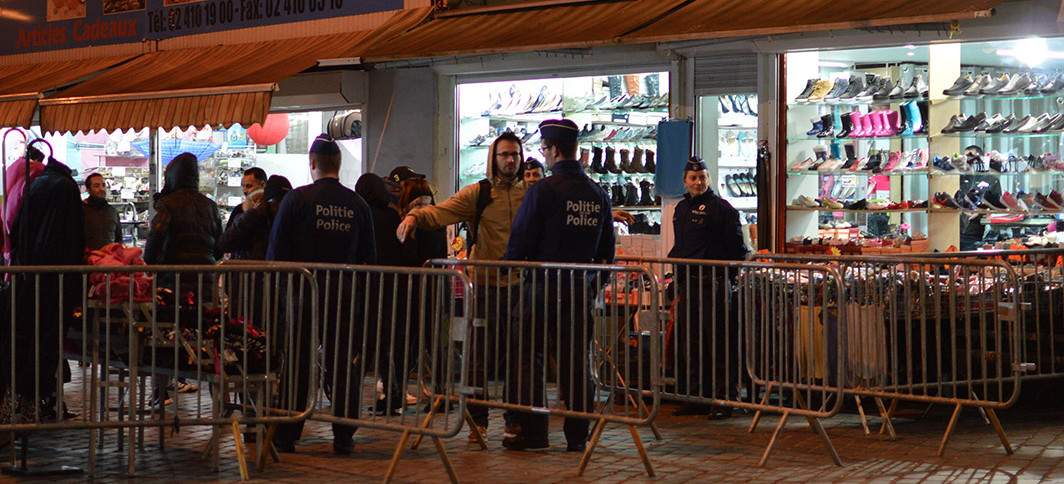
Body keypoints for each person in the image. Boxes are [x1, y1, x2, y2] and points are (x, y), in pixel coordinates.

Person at [395, 132, 528, 442]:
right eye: (505, 154)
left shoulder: (531, 193)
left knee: (518, 357)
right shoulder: (478, 193)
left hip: (522, 286)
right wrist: (415, 215)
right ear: (493, 158)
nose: (511, 160)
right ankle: (477, 421)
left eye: (515, 155)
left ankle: (513, 419)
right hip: (486, 286)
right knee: (480, 356)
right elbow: (441, 211)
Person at [502, 119, 615, 452]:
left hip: (540, 287)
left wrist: (508, 266)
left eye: (544, 149)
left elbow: (520, 240)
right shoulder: (597, 193)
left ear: (551, 150)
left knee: (529, 358)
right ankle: (578, 436)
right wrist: (593, 285)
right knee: (577, 361)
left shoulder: (544, 190)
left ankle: (535, 432)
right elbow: (606, 251)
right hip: (579, 288)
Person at [267, 134, 376, 455]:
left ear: (311, 163)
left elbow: (276, 255)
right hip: (344, 299)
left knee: (298, 364)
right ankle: (344, 436)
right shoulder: (357, 204)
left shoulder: (296, 200)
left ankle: (288, 434)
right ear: (339, 165)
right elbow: (369, 259)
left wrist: (283, 293)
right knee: (343, 366)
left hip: (302, 298)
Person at [0, 155, 85, 437]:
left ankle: (18, 412)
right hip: (51, 283)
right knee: (40, 346)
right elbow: (70, 240)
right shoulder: (63, 187)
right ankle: (25, 413)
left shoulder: (33, 185)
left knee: (23, 344)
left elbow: (16, 231)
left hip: (28, 278)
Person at [667, 156, 748, 418]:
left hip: (713, 284)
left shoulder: (721, 209)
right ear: (685, 181)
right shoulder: (680, 209)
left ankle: (724, 399)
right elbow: (680, 247)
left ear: (709, 179)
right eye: (693, 178)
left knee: (718, 344)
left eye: (702, 177)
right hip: (689, 284)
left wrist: (729, 278)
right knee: (691, 343)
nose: (698, 182)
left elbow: (738, 249)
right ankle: (696, 396)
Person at [353, 172, 407, 416]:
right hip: (390, 289)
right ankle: (393, 392)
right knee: (384, 344)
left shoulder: (361, 215)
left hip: (365, 289)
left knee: (363, 344)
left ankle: (350, 394)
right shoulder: (392, 216)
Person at [217, 175, 291, 261]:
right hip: (249, 271)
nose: (282, 206)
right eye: (278, 201)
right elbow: (225, 244)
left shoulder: (289, 219)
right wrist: (251, 215)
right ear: (267, 202)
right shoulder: (250, 216)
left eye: (286, 201)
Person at [83, 173, 123, 250]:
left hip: (109, 259)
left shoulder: (112, 212)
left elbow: (118, 240)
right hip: (87, 260)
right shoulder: (81, 211)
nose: (101, 189)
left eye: (103, 185)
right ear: (88, 190)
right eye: (96, 186)